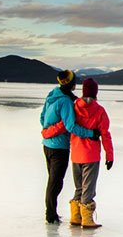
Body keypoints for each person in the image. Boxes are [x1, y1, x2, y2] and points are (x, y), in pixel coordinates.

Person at [43, 78, 113, 228]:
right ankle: (87, 220)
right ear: (95, 93)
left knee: (79, 187)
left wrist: (47, 133)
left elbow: (65, 126)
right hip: (91, 156)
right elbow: (105, 134)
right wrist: (110, 156)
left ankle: (76, 217)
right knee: (89, 188)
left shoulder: (74, 107)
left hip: (75, 154)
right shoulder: (100, 111)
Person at [40, 70, 97, 224]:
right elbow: (71, 126)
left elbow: (42, 118)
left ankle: (51, 212)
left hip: (47, 146)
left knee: (53, 181)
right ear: (73, 84)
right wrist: (90, 133)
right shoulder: (65, 102)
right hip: (59, 147)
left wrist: (48, 131)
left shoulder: (52, 95)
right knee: (55, 182)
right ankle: (50, 215)